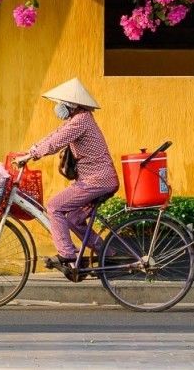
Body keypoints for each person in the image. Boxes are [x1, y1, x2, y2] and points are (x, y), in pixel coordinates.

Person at [18, 77, 119, 270]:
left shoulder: (81, 121)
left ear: (70, 105)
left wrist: (30, 155)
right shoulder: (79, 119)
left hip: (96, 180)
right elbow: (54, 136)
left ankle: (67, 255)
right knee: (73, 218)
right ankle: (107, 252)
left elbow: (56, 143)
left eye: (60, 104)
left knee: (54, 206)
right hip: (98, 179)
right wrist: (29, 153)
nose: (57, 107)